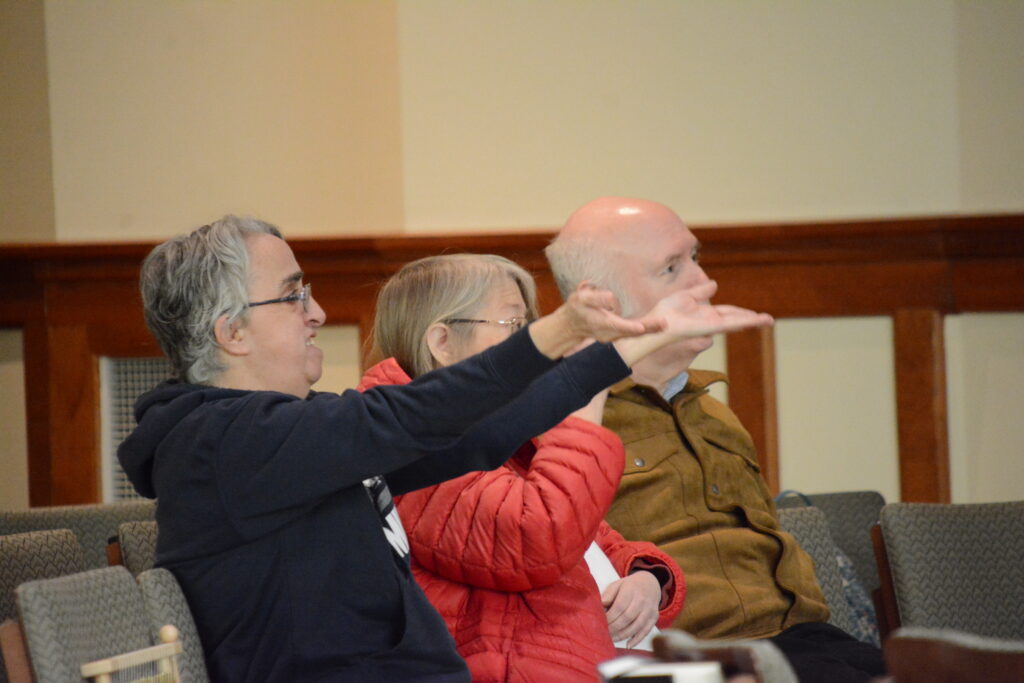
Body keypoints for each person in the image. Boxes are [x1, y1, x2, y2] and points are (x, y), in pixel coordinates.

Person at [117, 215, 773, 682]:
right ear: (231, 331)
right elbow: (418, 414)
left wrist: (630, 346)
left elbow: (480, 433)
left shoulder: (285, 431)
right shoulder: (224, 443)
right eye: (293, 294)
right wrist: (557, 332)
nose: (316, 311)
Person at [545, 198, 887, 683]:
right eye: (671, 268)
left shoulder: (711, 409)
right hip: (685, 657)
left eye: (696, 258)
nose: (705, 283)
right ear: (601, 301)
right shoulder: (566, 420)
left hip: (802, 637)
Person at [359, 254, 694, 681]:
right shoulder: (399, 442)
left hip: (589, 657)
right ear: (442, 343)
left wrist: (647, 578)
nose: (536, 346)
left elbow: (595, 542)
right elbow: (535, 538)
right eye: (514, 327)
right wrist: (583, 402)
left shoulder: (505, 427)